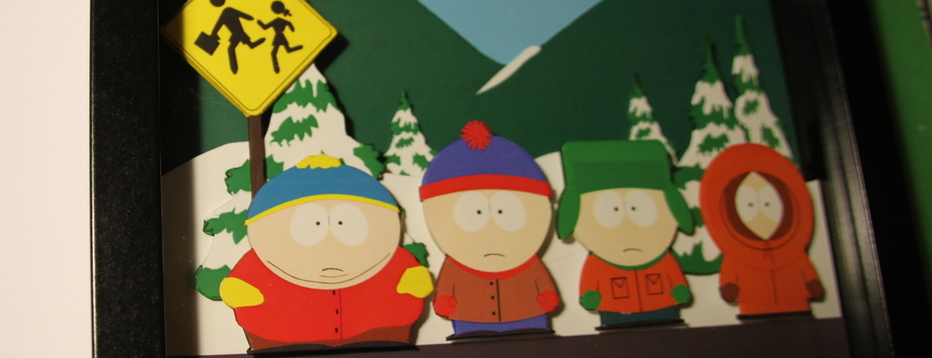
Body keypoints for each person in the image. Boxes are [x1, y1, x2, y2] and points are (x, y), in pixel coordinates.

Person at [219, 154, 431, 351]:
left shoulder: (392, 257)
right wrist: (242, 291)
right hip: (285, 338)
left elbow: (412, 278)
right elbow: (239, 286)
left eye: (346, 224)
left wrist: (411, 281)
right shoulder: (259, 261)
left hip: (376, 333)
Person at [420, 120, 560, 339]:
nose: (491, 230)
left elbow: (542, 283)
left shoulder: (528, 261)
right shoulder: (457, 265)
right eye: (474, 214)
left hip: (528, 319)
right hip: (471, 322)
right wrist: (445, 300)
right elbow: (447, 288)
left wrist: (546, 295)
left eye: (505, 213)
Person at [557, 140, 694, 329]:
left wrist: (678, 288)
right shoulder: (599, 262)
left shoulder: (662, 258)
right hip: (616, 311)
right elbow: (592, 279)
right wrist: (591, 294)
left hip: (663, 308)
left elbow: (672, 275)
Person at [700, 143, 823, 318]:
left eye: (768, 203)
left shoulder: (794, 253)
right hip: (753, 306)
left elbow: (805, 269)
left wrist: (812, 283)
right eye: (749, 205)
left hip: (797, 304)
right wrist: (730, 287)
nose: (761, 214)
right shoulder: (738, 257)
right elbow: (731, 277)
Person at [257, 0, 303, 73]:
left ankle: (276, 67)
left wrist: (260, 23)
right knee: (286, 50)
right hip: (280, 36)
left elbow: (265, 27)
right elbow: (289, 24)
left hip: (279, 36)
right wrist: (292, 28)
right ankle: (299, 47)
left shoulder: (277, 20)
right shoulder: (281, 20)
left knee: (274, 53)